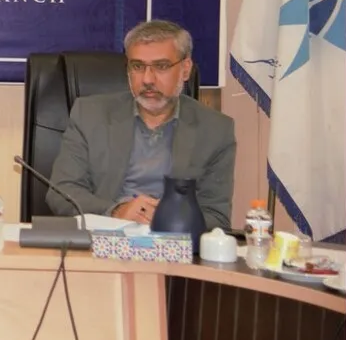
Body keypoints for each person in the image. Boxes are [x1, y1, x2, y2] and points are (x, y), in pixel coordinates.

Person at [47, 20, 236, 230]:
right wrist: (116, 211)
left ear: (185, 69)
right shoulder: (89, 115)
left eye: (161, 66)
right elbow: (61, 192)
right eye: (137, 66)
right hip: (104, 238)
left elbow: (217, 215)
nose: (147, 79)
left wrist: (168, 219)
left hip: (173, 243)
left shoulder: (216, 130)